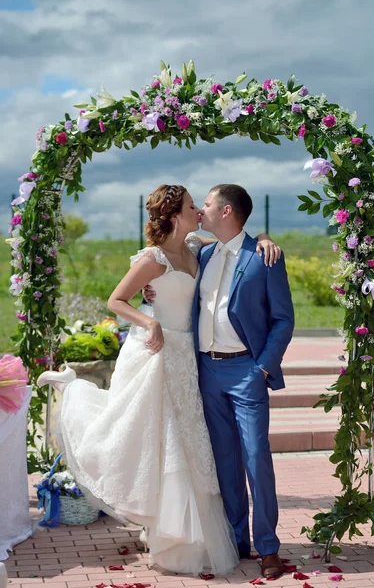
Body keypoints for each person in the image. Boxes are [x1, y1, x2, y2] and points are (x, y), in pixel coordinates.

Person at [37, 184, 280, 576]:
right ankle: (74, 389)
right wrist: (149, 318)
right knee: (152, 437)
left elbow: (240, 237)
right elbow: (116, 300)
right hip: (158, 350)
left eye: (201, 205)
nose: (198, 210)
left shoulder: (198, 247)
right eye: (190, 206)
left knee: (187, 446)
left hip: (190, 358)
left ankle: (189, 531)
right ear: (172, 215)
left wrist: (265, 237)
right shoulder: (153, 258)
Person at [144, 184, 294, 579]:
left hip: (247, 371)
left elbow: (283, 319)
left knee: (256, 458)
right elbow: (169, 259)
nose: (201, 210)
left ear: (226, 212)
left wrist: (262, 368)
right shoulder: (203, 252)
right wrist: (151, 295)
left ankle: (268, 547)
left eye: (206, 205)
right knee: (223, 460)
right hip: (206, 371)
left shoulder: (264, 258)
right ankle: (235, 539)